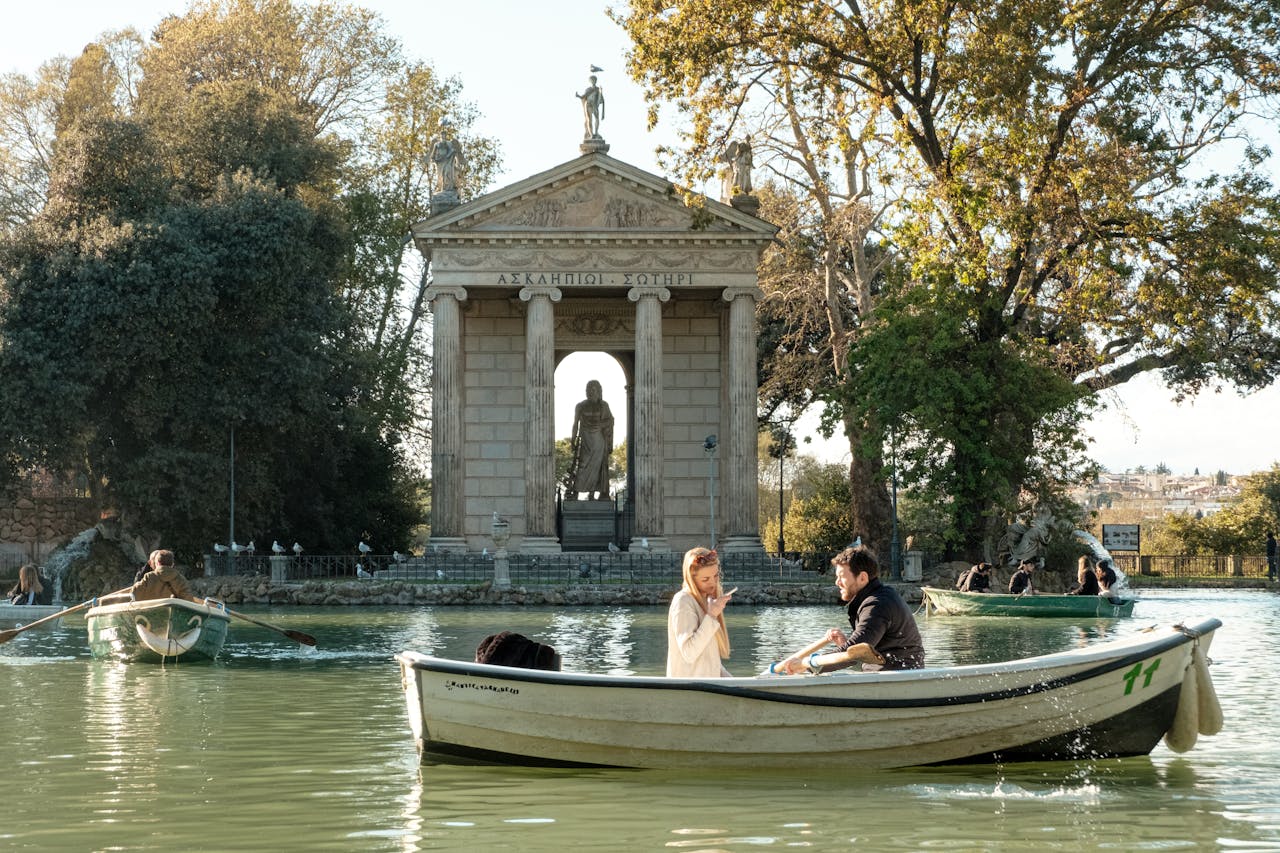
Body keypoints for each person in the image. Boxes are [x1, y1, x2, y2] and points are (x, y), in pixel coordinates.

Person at [783, 545, 924, 674]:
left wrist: (807, 665)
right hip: (888, 677)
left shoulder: (877, 604)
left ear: (862, 578)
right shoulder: (877, 598)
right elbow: (860, 653)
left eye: (842, 577)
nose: (837, 582)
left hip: (897, 681)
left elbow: (853, 654)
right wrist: (845, 645)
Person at [666, 547, 734, 677]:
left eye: (715, 576)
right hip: (689, 692)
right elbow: (689, 653)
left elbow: (709, 661)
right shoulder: (683, 601)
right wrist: (712, 615)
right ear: (692, 578)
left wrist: (735, 683)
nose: (713, 583)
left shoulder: (705, 600)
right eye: (705, 579)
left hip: (705, 689)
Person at [565, 379, 615, 500]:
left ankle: (592, 494)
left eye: (593, 389)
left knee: (597, 469)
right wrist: (573, 439)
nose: (590, 392)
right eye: (588, 389)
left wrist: (608, 441)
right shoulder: (580, 406)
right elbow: (575, 424)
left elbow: (610, 421)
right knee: (582, 465)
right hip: (586, 441)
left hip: (599, 442)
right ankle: (575, 492)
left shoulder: (604, 405)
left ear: (599, 391)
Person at [129, 550, 200, 602]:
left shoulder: (149, 577)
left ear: (157, 563)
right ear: (172, 564)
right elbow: (188, 600)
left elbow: (134, 593)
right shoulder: (181, 579)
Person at [429, 119, 464, 195]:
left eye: (444, 135)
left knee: (447, 173)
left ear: (446, 135)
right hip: (440, 162)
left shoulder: (448, 143)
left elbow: (452, 151)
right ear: (440, 135)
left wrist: (452, 154)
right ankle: (442, 187)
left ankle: (447, 188)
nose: (443, 136)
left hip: (447, 161)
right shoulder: (437, 144)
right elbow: (433, 155)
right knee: (441, 175)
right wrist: (434, 159)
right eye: (442, 135)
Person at [575, 74, 605, 139]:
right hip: (588, 104)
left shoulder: (598, 89)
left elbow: (601, 99)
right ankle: (591, 134)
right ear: (590, 81)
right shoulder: (588, 89)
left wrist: (601, 91)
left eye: (594, 80)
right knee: (589, 120)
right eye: (592, 80)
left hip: (594, 105)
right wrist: (578, 96)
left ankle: (596, 133)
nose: (593, 81)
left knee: (597, 119)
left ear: (596, 81)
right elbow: (584, 96)